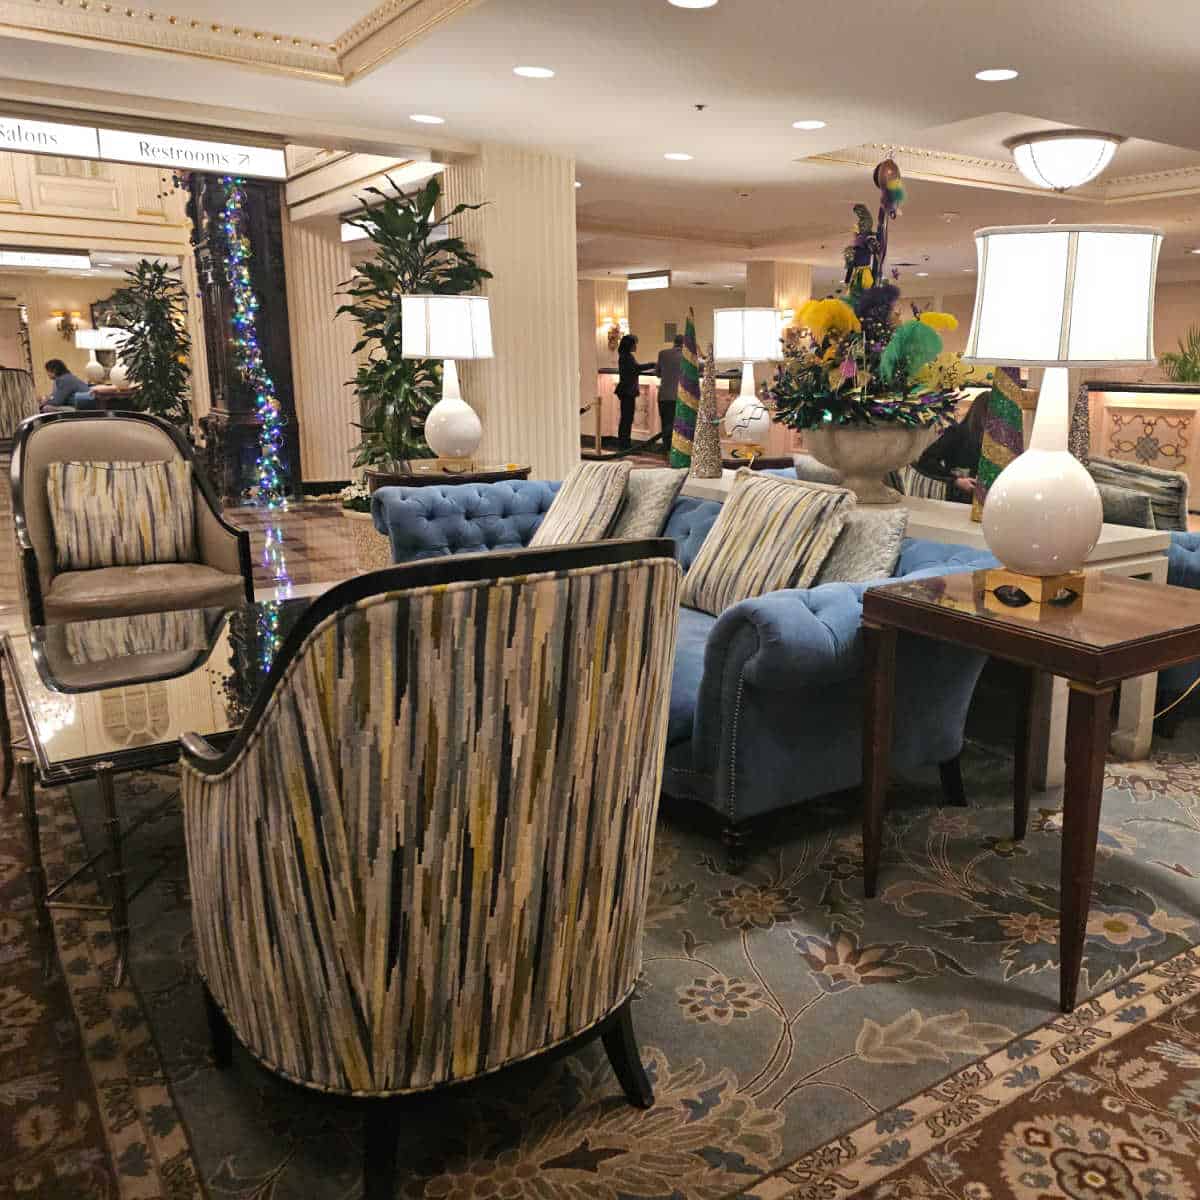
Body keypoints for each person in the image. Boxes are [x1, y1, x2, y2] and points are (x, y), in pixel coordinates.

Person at [912, 389, 991, 501]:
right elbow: (926, 461)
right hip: (960, 498)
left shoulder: (1000, 442)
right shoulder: (956, 433)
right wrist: (955, 480)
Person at [615, 334, 654, 450]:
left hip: (626, 390)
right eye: (635, 344)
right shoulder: (627, 357)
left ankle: (624, 444)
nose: (636, 346)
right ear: (630, 345)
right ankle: (624, 445)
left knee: (626, 418)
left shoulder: (625, 356)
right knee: (627, 418)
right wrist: (652, 364)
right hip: (627, 391)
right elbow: (636, 369)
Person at [655, 334, 685, 452]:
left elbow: (657, 373)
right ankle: (677, 449)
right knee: (679, 424)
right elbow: (701, 366)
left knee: (666, 421)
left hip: (664, 394)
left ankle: (666, 446)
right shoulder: (688, 355)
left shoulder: (662, 353)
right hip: (680, 396)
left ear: (674, 342)